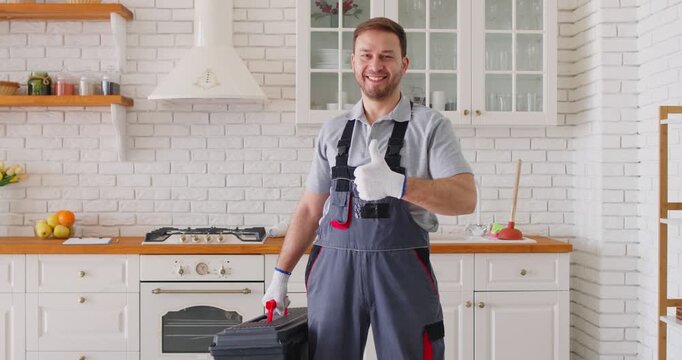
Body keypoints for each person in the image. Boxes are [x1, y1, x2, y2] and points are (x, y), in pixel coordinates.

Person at [262, 17, 476, 359]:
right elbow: (309, 210)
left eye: (387, 56)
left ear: (403, 64)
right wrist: (280, 274)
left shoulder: (430, 127)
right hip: (333, 270)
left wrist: (399, 184)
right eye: (366, 55)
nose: (375, 65)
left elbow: (466, 198)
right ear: (353, 62)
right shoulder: (332, 131)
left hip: (402, 271)